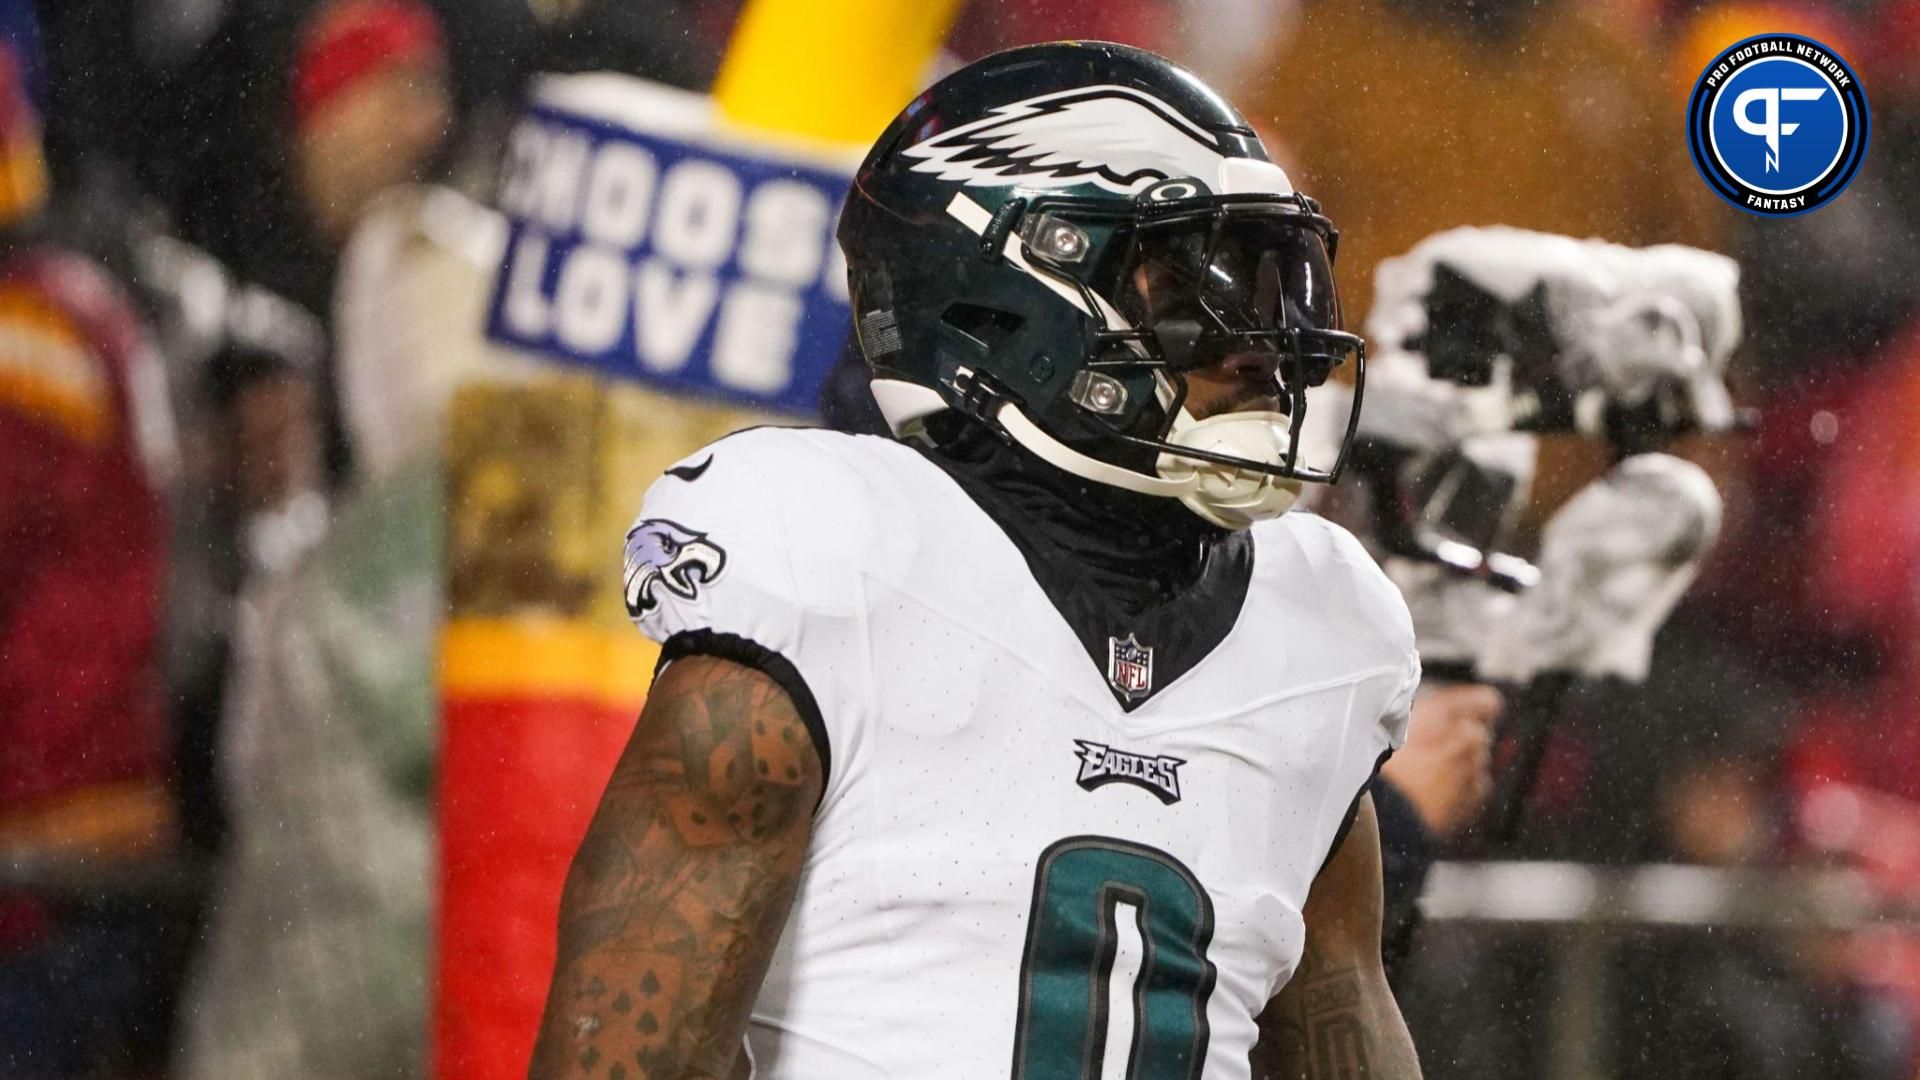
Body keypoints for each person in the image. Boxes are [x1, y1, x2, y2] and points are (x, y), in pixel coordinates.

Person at [533, 42, 1424, 1079]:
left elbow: (1340, 1016)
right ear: (1003, 298)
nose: (1263, 346)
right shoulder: (836, 559)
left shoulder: (1317, 631)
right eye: (1195, 281)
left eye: (1278, 283)